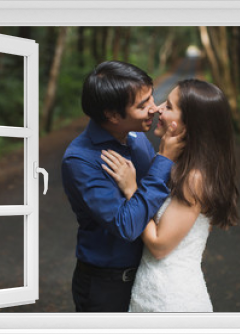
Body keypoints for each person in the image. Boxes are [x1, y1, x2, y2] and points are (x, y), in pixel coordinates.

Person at [101, 79, 240, 312]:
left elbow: (159, 245)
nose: (158, 109)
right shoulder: (183, 166)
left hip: (171, 300)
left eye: (169, 106)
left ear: (188, 124)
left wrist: (131, 189)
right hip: (153, 290)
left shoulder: (195, 178)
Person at [61, 61, 184, 312]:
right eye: (142, 105)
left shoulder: (137, 138)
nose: (154, 109)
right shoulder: (80, 159)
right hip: (108, 285)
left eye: (151, 98)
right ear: (112, 115)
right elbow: (126, 226)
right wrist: (164, 160)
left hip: (149, 275)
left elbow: (159, 198)